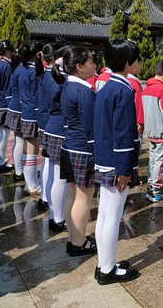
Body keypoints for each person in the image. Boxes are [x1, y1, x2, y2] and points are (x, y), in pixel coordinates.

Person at [93, 39, 140, 285]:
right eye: (137, 58)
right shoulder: (123, 90)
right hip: (116, 163)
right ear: (127, 62)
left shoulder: (106, 86)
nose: (140, 62)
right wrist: (123, 169)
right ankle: (107, 269)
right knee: (112, 216)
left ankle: (104, 262)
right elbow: (123, 134)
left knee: (104, 214)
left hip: (104, 158)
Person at [55, 45, 97, 256]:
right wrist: (98, 153)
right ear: (79, 67)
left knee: (72, 196)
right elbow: (90, 128)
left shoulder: (67, 86)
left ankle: (73, 238)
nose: (94, 65)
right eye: (91, 61)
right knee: (83, 198)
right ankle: (79, 243)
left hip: (69, 146)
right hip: (83, 149)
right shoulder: (84, 91)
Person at [43, 46, 68, 233]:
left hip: (51, 125)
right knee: (59, 177)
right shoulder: (62, 79)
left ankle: (54, 215)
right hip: (60, 128)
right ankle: (58, 218)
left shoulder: (48, 75)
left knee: (53, 174)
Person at [142, 60, 163, 203]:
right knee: (160, 161)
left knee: (152, 159)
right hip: (161, 131)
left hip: (150, 130)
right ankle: (156, 189)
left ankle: (151, 186)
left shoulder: (147, 88)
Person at [19, 41, 45, 194]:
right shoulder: (34, 71)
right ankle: (32, 184)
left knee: (27, 148)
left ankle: (29, 182)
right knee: (32, 149)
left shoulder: (24, 69)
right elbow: (37, 95)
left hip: (26, 111)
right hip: (33, 113)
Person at [37, 43, 59, 211]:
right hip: (50, 121)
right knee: (50, 164)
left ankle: (45, 195)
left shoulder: (45, 74)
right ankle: (46, 198)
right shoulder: (54, 77)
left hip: (45, 120)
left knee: (47, 162)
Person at [5, 47, 26, 182]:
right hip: (19, 108)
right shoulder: (23, 70)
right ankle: (19, 171)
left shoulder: (17, 69)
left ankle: (18, 170)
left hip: (14, 106)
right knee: (20, 141)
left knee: (18, 141)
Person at [0, 40, 16, 170]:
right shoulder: (6, 66)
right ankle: (1, 161)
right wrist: (11, 106)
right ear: (7, 51)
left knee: (1, 132)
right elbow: (8, 88)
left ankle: (0, 159)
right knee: (3, 133)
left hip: (0, 102)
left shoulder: (0, 64)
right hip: (5, 103)